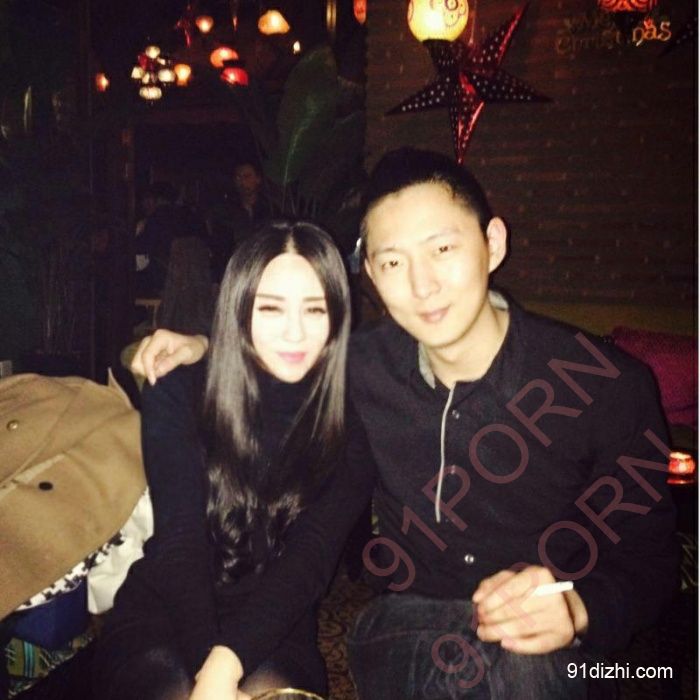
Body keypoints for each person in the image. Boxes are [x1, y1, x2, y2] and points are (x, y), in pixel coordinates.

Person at [133, 148, 678, 698]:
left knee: (541, 667)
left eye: (443, 249)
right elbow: (273, 355)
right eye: (393, 262)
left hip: (560, 648)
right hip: (409, 625)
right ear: (370, 273)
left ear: (492, 243)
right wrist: (201, 346)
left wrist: (578, 608)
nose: (423, 285)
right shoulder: (360, 368)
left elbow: (653, 559)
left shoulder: (604, 384)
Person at [93, 220, 352, 700]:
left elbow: (310, 559)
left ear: (336, 316)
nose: (295, 332)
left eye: (315, 309)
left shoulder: (351, 416)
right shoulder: (178, 389)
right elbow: (179, 540)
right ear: (239, 309)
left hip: (275, 617)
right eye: (271, 307)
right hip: (169, 604)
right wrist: (208, 672)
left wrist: (227, 664)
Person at [208, 161, 270, 282]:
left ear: (258, 179)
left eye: (247, 176)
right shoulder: (226, 211)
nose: (242, 182)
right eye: (238, 178)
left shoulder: (269, 210)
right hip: (235, 272)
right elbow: (219, 248)